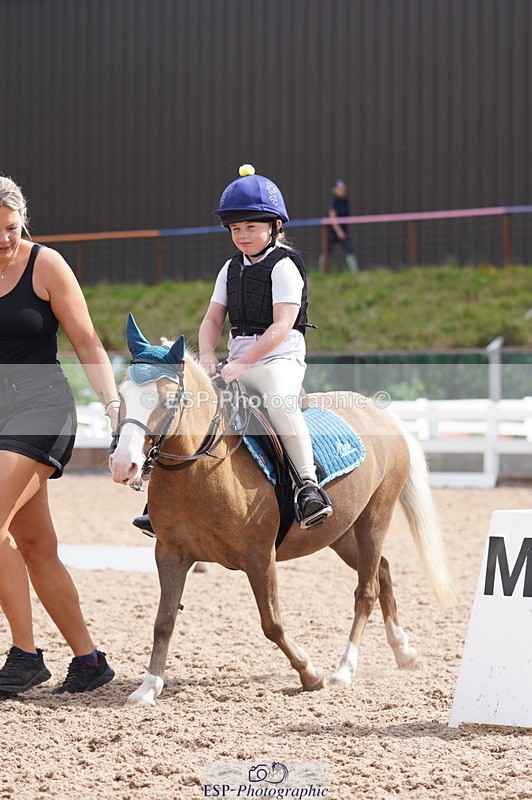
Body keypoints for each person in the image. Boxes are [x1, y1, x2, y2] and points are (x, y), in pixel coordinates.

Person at [0, 175, 119, 695]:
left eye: (10, 227)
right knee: (33, 543)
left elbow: (87, 340)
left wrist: (113, 405)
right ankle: (89, 661)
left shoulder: (45, 264)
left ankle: (25, 655)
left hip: (40, 405)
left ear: (21, 218)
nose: (4, 239)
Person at [200, 164, 332, 528]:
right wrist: (209, 354)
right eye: (236, 228)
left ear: (274, 226)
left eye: (251, 227)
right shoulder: (229, 269)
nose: (242, 235)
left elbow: (282, 325)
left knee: (278, 402)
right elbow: (212, 319)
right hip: (235, 360)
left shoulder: (284, 266)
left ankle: (308, 486)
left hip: (279, 359)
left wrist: (243, 365)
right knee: (188, 404)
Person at [320, 178, 358, 273]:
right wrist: (339, 231)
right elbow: (332, 217)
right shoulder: (333, 201)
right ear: (334, 189)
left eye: (343, 189)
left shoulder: (345, 201)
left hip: (343, 230)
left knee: (349, 250)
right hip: (332, 231)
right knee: (327, 251)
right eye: (340, 188)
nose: (342, 191)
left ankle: (355, 272)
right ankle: (322, 272)